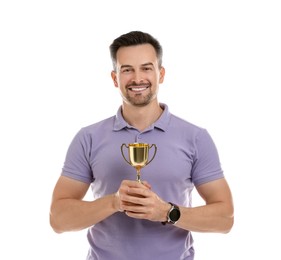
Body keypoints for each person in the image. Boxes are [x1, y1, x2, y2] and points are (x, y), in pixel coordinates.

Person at [49, 31, 234, 260]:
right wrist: (114, 202)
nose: (138, 78)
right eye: (127, 69)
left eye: (146, 68)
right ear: (115, 78)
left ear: (161, 74)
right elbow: (58, 219)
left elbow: (225, 218)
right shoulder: (88, 138)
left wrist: (167, 212)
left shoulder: (195, 138)